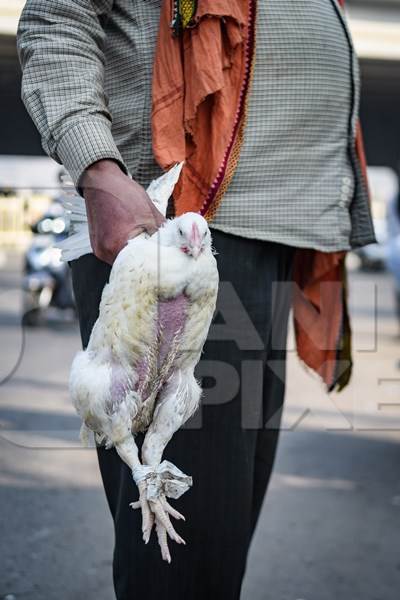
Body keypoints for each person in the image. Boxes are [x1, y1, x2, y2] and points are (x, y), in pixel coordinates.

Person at [17, 1, 375, 598]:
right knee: (182, 560)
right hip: (174, 242)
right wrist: (99, 169)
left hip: (268, 242)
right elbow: (57, 16)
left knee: (216, 541)